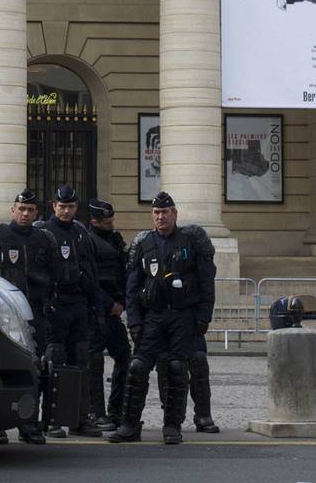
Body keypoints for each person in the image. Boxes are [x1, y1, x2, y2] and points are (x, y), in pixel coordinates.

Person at [107, 191, 216, 445]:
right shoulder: (144, 244)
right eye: (156, 213)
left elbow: (205, 282)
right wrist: (134, 321)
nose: (160, 217)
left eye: (165, 212)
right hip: (153, 316)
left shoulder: (190, 242)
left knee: (178, 368)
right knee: (137, 367)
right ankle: (129, 425)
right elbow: (132, 288)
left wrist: (203, 316)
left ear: (174, 214)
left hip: (183, 316)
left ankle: (172, 426)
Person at [0, 187, 61, 445]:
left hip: (33, 314)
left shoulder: (43, 240)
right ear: (13, 210)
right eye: (21, 209)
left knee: (33, 369)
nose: (25, 213)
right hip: (1, 316)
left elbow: (53, 275)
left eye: (30, 210)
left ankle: (28, 423)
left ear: (36, 213)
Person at [40, 184, 109, 437]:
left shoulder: (81, 234)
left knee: (82, 362)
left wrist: (97, 310)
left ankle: (79, 419)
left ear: (76, 207)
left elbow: (91, 274)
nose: (66, 211)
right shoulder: (44, 233)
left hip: (78, 305)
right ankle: (51, 420)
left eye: (70, 207)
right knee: (54, 362)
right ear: (53, 206)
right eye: (62, 206)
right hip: (55, 306)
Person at [85, 199, 131, 432]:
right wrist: (108, 303)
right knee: (94, 361)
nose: (111, 224)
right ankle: (96, 412)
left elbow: (124, 273)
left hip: (114, 310)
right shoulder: (86, 241)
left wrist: (121, 301)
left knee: (124, 356)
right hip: (96, 311)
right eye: (107, 222)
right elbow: (89, 278)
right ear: (95, 221)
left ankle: (116, 410)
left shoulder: (114, 239)